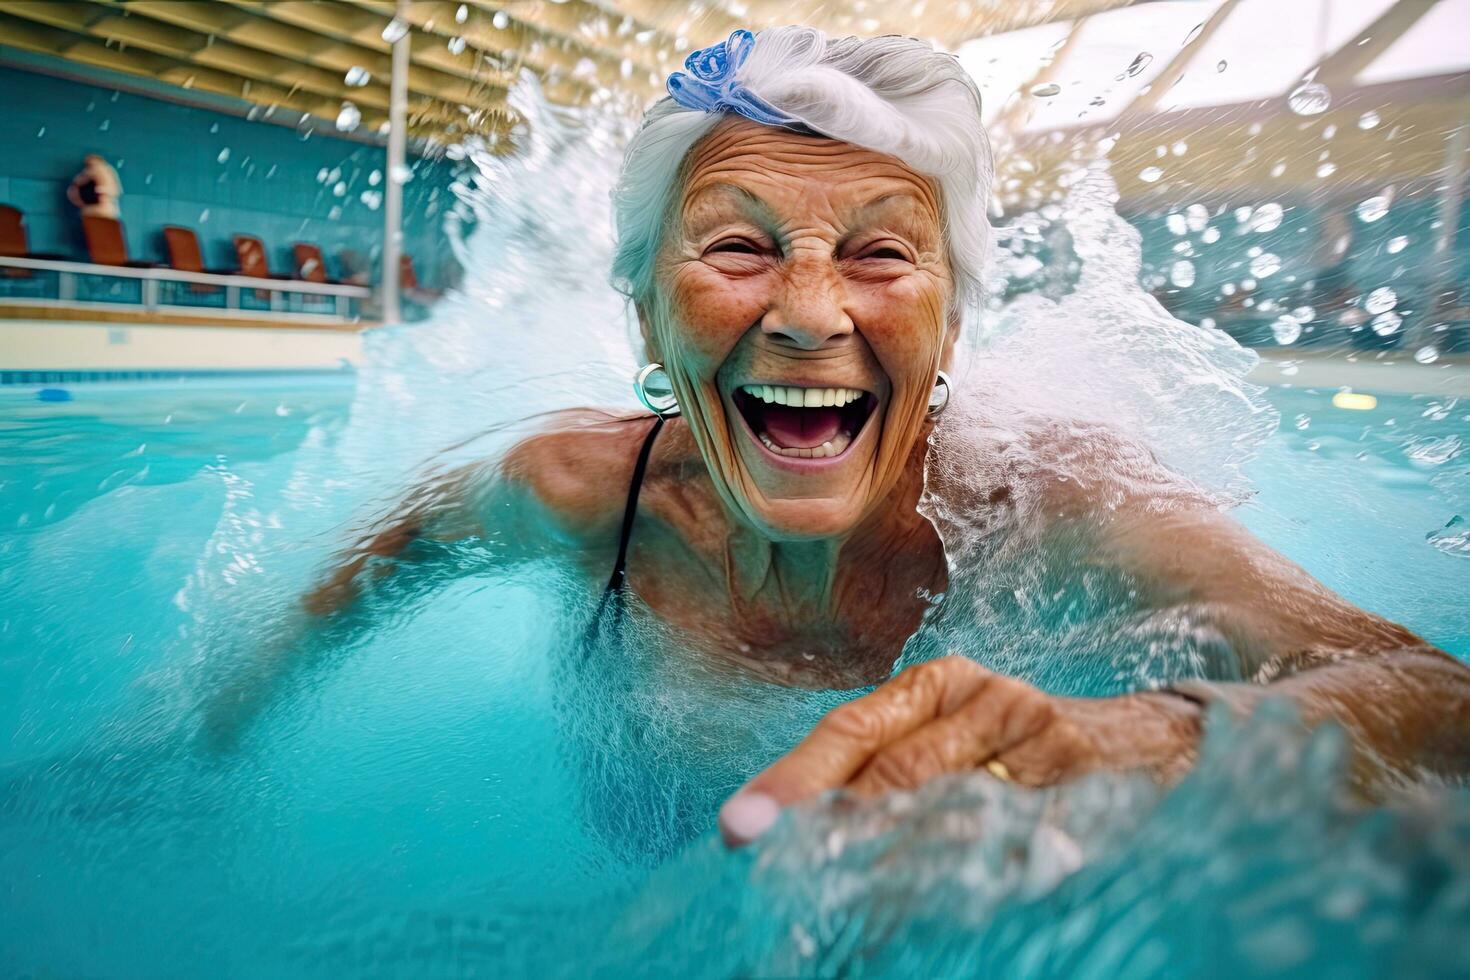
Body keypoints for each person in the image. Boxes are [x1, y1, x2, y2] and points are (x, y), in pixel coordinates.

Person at [204, 28, 1469, 849]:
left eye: (879, 252)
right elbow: (350, 585)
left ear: (952, 318)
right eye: (741, 246)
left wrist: (1154, 738)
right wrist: (193, 750)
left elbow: (1436, 698)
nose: (810, 315)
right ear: (644, 304)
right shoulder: (577, 491)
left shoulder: (1052, 503)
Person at [67, 153, 122, 220]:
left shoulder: (96, 168)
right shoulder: (109, 170)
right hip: (109, 210)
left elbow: (79, 180)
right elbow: (117, 191)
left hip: (103, 209)